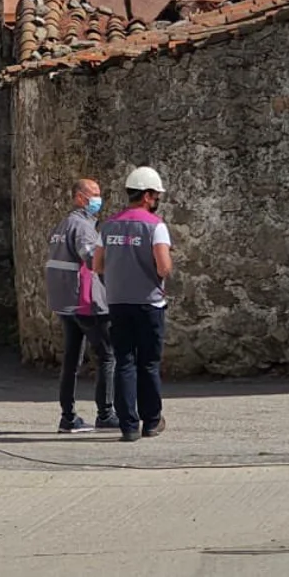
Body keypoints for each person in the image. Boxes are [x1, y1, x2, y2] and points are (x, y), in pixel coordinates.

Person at [95, 166, 174, 443]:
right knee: (148, 363)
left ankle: (128, 426)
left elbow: (97, 264)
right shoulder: (156, 226)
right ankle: (151, 421)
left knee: (124, 363)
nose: (157, 200)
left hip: (117, 303)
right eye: (156, 196)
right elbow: (163, 267)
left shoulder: (109, 225)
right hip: (149, 304)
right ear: (148, 195)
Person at [48, 177, 116, 434]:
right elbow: (91, 260)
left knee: (71, 359)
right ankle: (106, 414)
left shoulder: (62, 225)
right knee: (107, 356)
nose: (98, 198)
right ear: (79, 197)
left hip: (65, 302)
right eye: (94, 194)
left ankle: (68, 417)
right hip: (85, 302)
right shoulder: (83, 227)